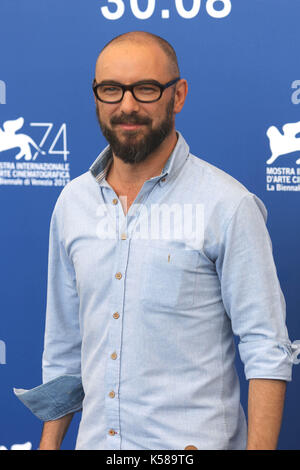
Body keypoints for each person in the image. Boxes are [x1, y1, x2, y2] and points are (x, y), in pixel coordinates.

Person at [14, 31, 296, 450]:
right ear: (96, 96)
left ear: (177, 96)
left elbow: (266, 348)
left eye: (145, 89)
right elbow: (64, 348)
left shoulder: (228, 205)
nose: (127, 105)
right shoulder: (72, 202)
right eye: (111, 90)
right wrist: (49, 445)